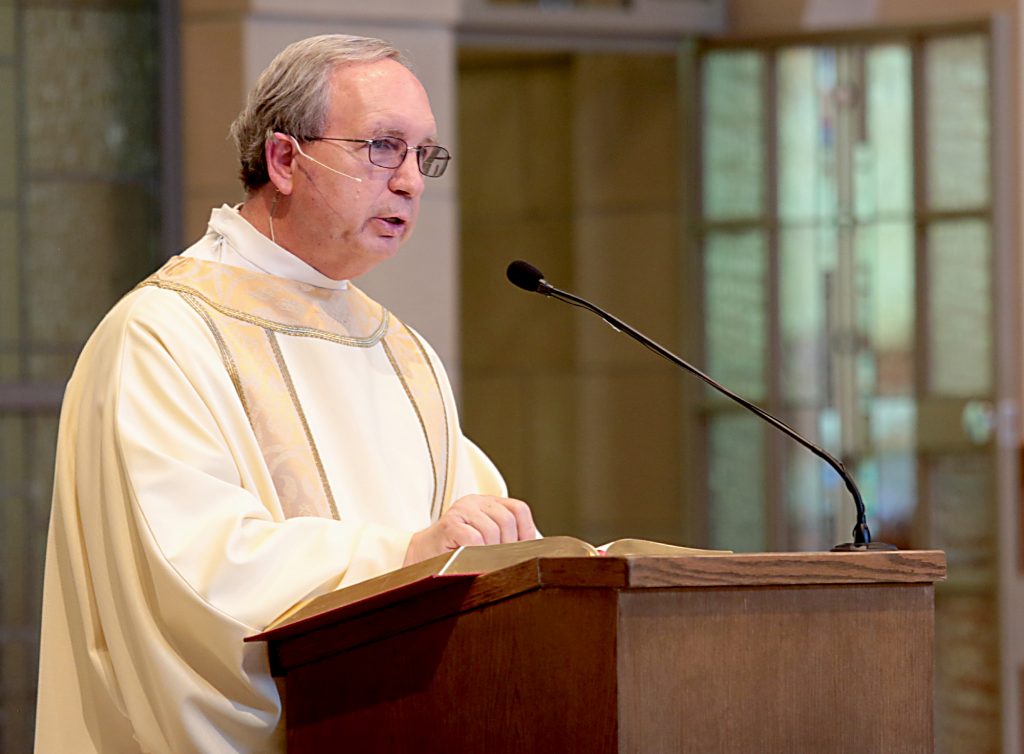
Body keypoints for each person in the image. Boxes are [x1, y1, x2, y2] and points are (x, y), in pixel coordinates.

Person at [34, 34, 536, 754]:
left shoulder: (401, 352)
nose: (411, 181)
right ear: (284, 159)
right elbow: (197, 573)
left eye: (423, 154)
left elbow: (472, 546)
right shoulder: (164, 335)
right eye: (382, 147)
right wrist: (407, 554)